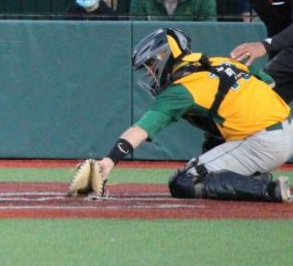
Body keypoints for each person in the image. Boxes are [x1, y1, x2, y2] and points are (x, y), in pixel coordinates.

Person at [89, 27, 292, 203]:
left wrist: (108, 161)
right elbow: (269, 83)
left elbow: (140, 130)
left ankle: (269, 190)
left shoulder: (182, 88)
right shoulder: (218, 61)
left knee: (184, 181)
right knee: (212, 135)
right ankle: (255, 178)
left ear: (165, 56)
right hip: (284, 128)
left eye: (151, 65)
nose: (150, 73)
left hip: (263, 142)